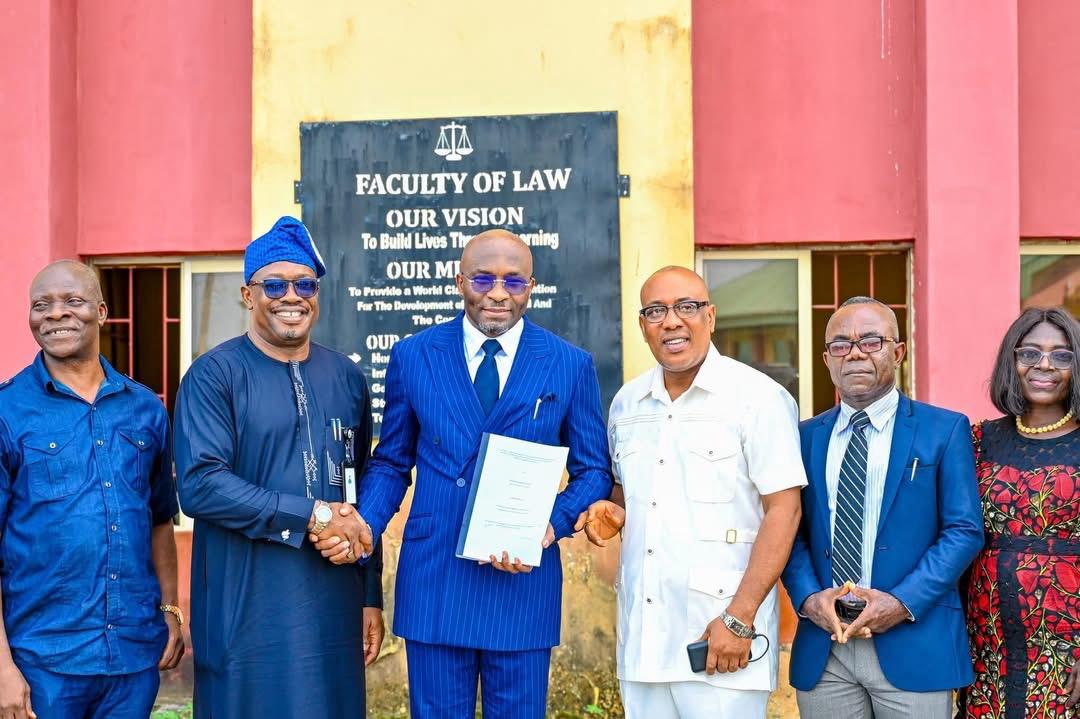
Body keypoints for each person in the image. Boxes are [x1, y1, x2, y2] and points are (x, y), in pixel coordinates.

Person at [351, 228, 612, 718]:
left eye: (513, 282)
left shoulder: (569, 364)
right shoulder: (414, 355)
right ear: (459, 281)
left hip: (520, 576)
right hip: (435, 576)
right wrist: (364, 526)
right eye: (483, 278)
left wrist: (550, 525)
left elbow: (594, 470)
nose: (497, 293)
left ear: (531, 287)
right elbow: (391, 460)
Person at [173, 217, 384, 719]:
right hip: (245, 607)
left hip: (334, 606)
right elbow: (200, 485)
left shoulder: (347, 378)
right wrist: (310, 514)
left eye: (304, 283)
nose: (291, 296)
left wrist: (369, 595)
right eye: (274, 284)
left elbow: (360, 485)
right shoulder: (214, 375)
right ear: (249, 294)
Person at [574, 266, 806, 718]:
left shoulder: (758, 398)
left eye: (687, 307)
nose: (672, 321)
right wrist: (612, 509)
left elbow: (785, 511)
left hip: (720, 640)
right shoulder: (627, 403)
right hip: (643, 643)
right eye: (656, 310)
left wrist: (739, 619)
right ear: (642, 325)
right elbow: (627, 493)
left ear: (711, 316)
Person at [782, 295, 983, 719]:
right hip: (826, 649)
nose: (854, 352)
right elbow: (789, 529)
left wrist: (901, 602)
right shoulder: (801, 437)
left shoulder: (944, 429)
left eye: (870, 340)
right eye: (840, 344)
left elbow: (963, 531)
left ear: (898, 351)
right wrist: (807, 599)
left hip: (913, 639)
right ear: (826, 359)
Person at [0, 260, 184, 719]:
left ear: (101, 312)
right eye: (41, 305)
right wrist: (2, 666)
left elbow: (159, 518)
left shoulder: (145, 408)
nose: (56, 314)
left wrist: (171, 608)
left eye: (72, 301)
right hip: (41, 660)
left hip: (132, 654)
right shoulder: (7, 411)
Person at [961, 307, 1080, 717]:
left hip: (1067, 644)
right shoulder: (977, 440)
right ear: (1011, 362)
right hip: (985, 639)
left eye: (1061, 355)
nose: (1044, 365)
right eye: (1030, 353)